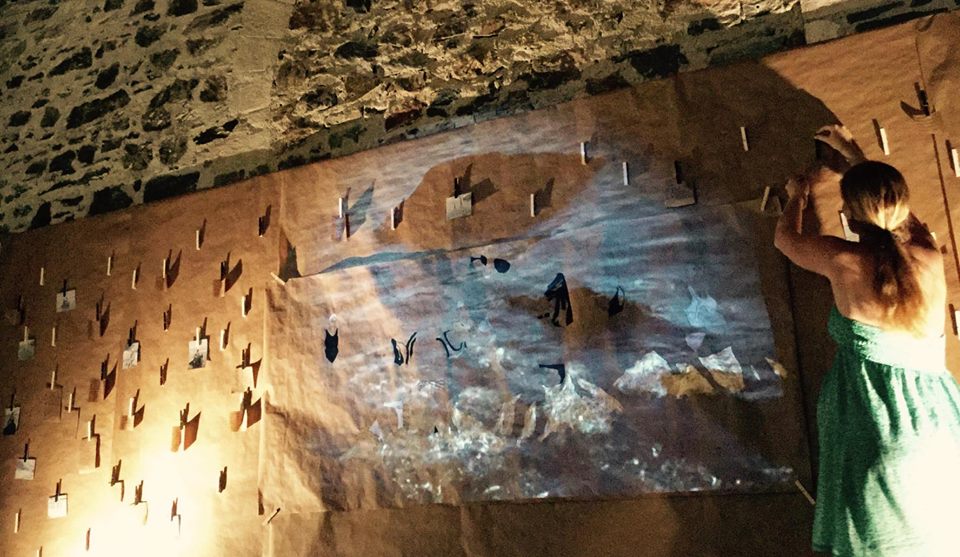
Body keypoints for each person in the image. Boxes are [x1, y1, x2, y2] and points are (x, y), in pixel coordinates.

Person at [774, 124, 960, 556]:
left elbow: (785, 240)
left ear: (851, 216)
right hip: (940, 432)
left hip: (872, 433)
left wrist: (797, 195)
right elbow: (899, 217)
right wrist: (855, 155)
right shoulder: (928, 256)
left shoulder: (844, 259)